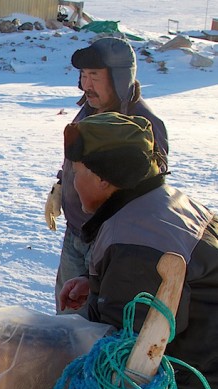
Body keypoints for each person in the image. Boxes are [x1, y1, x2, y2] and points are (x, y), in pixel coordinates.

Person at [58, 111, 218, 389]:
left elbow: (130, 357)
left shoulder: (137, 240)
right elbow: (173, 286)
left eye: (75, 171)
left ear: (104, 178)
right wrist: (98, 288)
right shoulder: (158, 204)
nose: (69, 183)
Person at [44, 36, 169, 314]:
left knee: (95, 324)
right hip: (76, 233)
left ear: (119, 77)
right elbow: (78, 157)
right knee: (67, 318)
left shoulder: (142, 125)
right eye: (83, 75)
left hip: (108, 242)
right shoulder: (90, 110)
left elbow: (150, 192)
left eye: (95, 76)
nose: (86, 84)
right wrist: (61, 187)